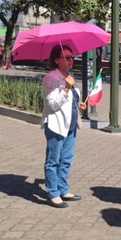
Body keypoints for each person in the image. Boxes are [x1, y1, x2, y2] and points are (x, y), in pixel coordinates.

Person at [41, 45, 87, 208]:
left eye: (71, 57)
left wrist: (79, 106)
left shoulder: (70, 76)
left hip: (71, 126)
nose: (70, 60)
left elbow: (70, 101)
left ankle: (63, 189)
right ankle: (52, 193)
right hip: (56, 125)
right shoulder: (51, 78)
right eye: (66, 57)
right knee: (53, 160)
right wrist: (66, 88)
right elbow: (52, 104)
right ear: (56, 60)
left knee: (66, 159)